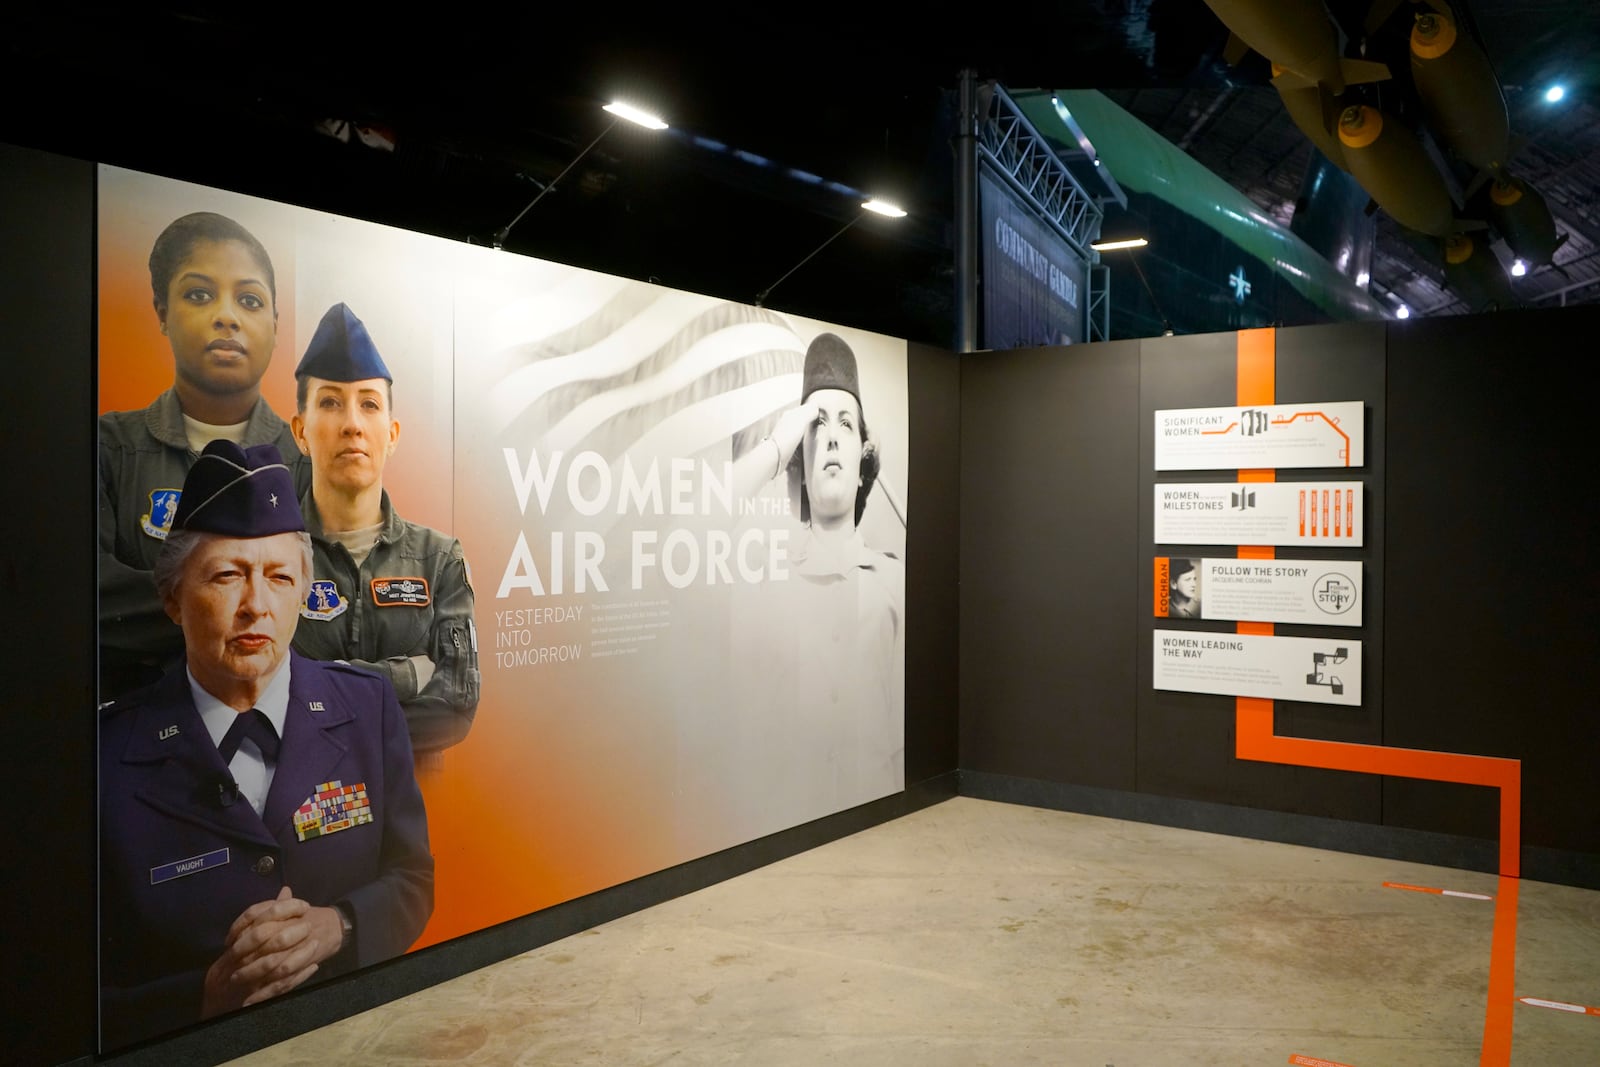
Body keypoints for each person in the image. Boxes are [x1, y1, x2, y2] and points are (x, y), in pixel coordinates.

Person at [98, 440, 433, 1049]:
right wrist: (201, 1000)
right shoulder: (104, 758)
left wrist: (341, 925)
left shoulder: (367, 708)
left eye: (280, 578)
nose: (257, 606)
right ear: (173, 598)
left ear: (305, 592)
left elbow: (412, 879)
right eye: (228, 575)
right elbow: (74, 990)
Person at [99, 211, 307, 698]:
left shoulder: (307, 462)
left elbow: (319, 617)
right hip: (133, 724)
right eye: (199, 294)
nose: (227, 316)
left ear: (275, 325)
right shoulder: (109, 447)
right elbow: (93, 599)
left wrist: (192, 604)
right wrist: (244, 615)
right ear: (162, 312)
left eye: (250, 300)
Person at [288, 303, 479, 767]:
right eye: (330, 402)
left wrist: (320, 690)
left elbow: (454, 708)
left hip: (413, 810)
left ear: (391, 434)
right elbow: (258, 699)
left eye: (369, 404)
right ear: (300, 431)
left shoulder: (439, 561)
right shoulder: (269, 558)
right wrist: (408, 677)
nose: (352, 423)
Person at [729, 333, 905, 829]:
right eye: (816, 425)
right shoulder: (763, 579)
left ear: (862, 463)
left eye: (845, 425)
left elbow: (900, 742)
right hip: (788, 841)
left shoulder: (893, 582)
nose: (830, 436)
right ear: (801, 467)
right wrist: (781, 440)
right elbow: (691, 521)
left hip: (879, 833)